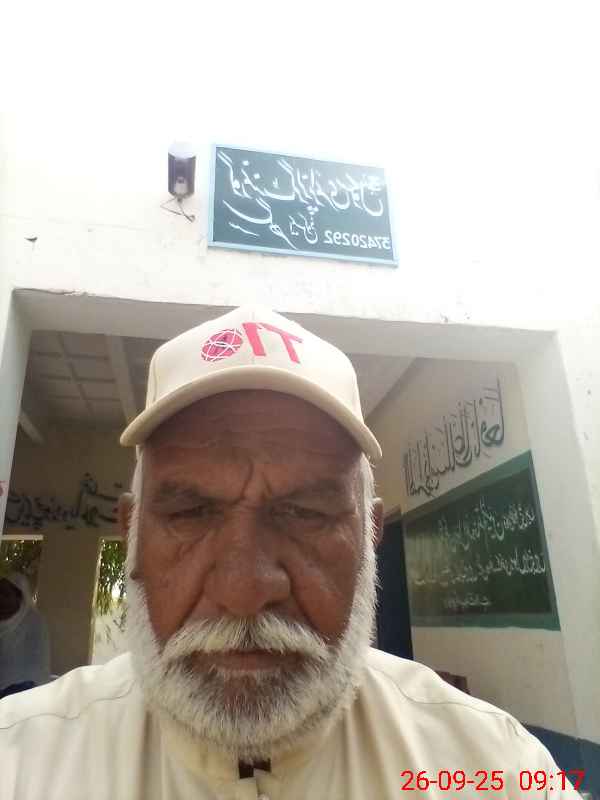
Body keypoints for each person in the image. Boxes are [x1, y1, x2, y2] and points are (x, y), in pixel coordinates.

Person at [0, 307, 580, 799]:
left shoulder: (492, 767)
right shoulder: (21, 761)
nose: (244, 590)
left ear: (370, 535)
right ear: (131, 537)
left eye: (305, 514)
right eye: (190, 513)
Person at [0, 571, 50, 699]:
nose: (1, 598)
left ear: (20, 597)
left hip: (24, 691)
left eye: (6, 594)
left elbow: (38, 664)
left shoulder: (34, 622)